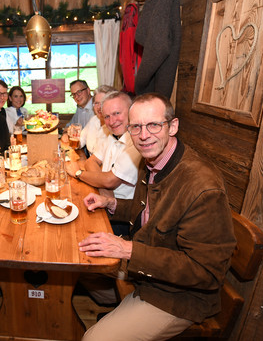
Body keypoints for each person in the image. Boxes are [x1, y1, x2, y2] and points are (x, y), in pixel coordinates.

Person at [79, 92, 236, 341]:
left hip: (178, 296)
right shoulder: (151, 160)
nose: (143, 135)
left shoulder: (202, 187)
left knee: (93, 339)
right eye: (136, 127)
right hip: (147, 274)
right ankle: (123, 311)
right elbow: (148, 210)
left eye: (153, 125)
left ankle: (125, 315)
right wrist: (111, 203)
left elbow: (205, 272)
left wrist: (128, 250)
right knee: (80, 261)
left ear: (172, 126)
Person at [65, 91, 142, 236]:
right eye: (107, 116)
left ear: (132, 112)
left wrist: (78, 173)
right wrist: (104, 183)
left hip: (121, 216)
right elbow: (91, 161)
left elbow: (110, 181)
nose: (112, 121)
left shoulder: (137, 140)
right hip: (103, 199)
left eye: (117, 113)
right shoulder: (112, 134)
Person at [73, 85, 116, 156]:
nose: (99, 107)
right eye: (96, 103)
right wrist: (72, 138)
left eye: (103, 103)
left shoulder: (113, 127)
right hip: (89, 163)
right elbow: (81, 140)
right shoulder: (94, 120)